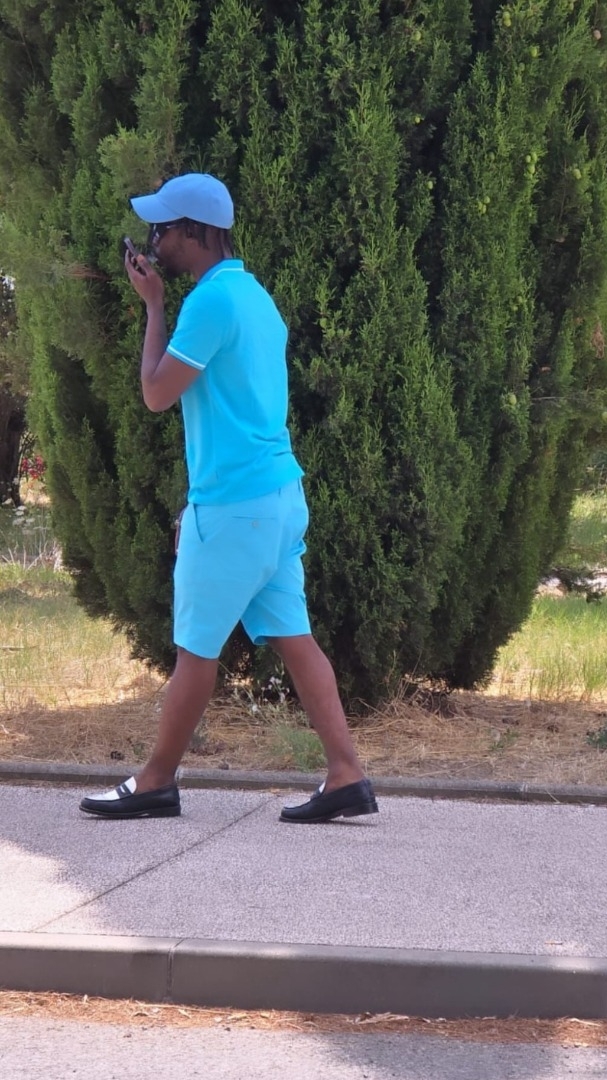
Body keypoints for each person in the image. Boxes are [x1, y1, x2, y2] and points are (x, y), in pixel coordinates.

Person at [79, 173, 377, 825]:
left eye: (162, 228)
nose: (154, 241)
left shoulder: (210, 302)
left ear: (195, 232)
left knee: (196, 650)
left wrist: (153, 308)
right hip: (278, 499)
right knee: (296, 639)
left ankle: (155, 781)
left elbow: (156, 393)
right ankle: (346, 774)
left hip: (235, 506)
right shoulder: (256, 297)